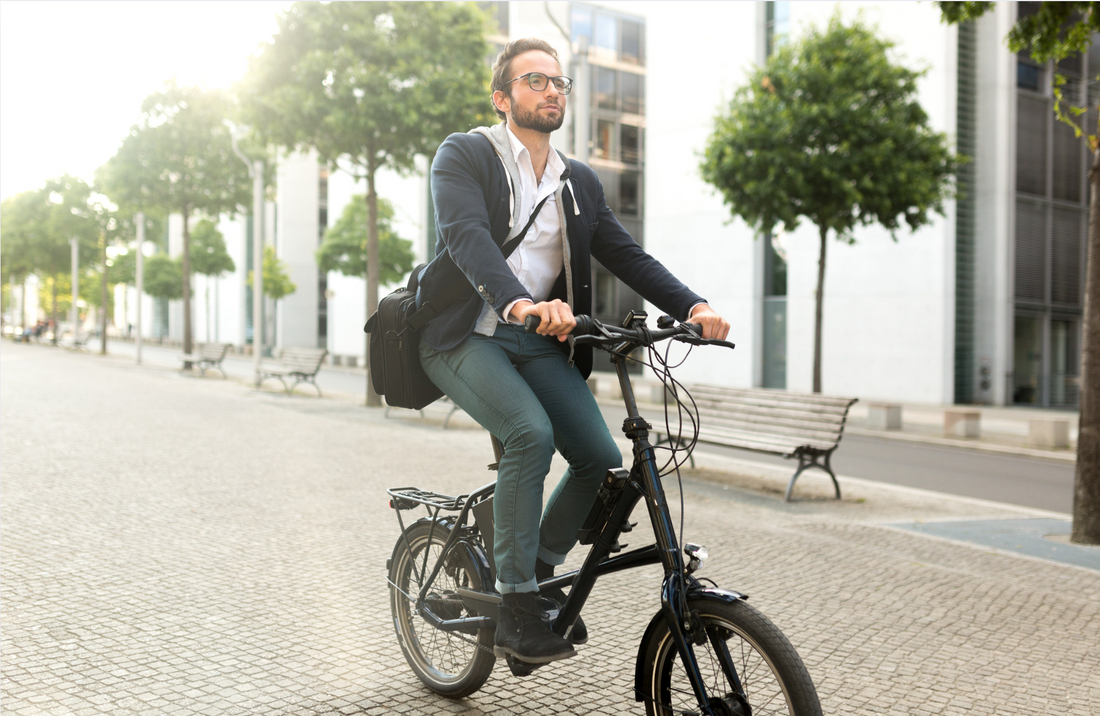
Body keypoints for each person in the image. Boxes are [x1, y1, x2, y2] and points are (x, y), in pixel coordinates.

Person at [415, 38, 730, 665]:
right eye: (535, 80)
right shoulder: (465, 155)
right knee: (529, 434)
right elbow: (467, 237)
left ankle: (531, 565)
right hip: (462, 334)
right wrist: (519, 302)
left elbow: (626, 254)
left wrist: (694, 306)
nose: (552, 90)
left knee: (597, 457)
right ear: (503, 97)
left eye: (559, 82)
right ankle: (519, 608)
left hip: (536, 341)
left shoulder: (576, 180)